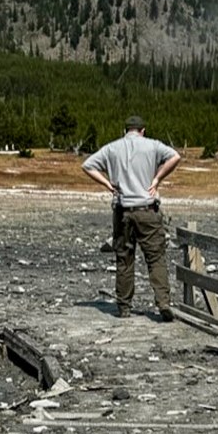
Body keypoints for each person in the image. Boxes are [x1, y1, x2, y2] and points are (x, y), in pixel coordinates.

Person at [82, 115, 181, 319]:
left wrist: (108, 184)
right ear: (142, 130)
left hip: (122, 209)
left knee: (124, 259)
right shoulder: (153, 145)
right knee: (155, 258)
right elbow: (175, 157)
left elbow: (88, 165)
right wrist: (157, 179)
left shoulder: (112, 148)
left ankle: (124, 306)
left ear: (125, 130)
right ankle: (163, 302)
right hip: (147, 208)